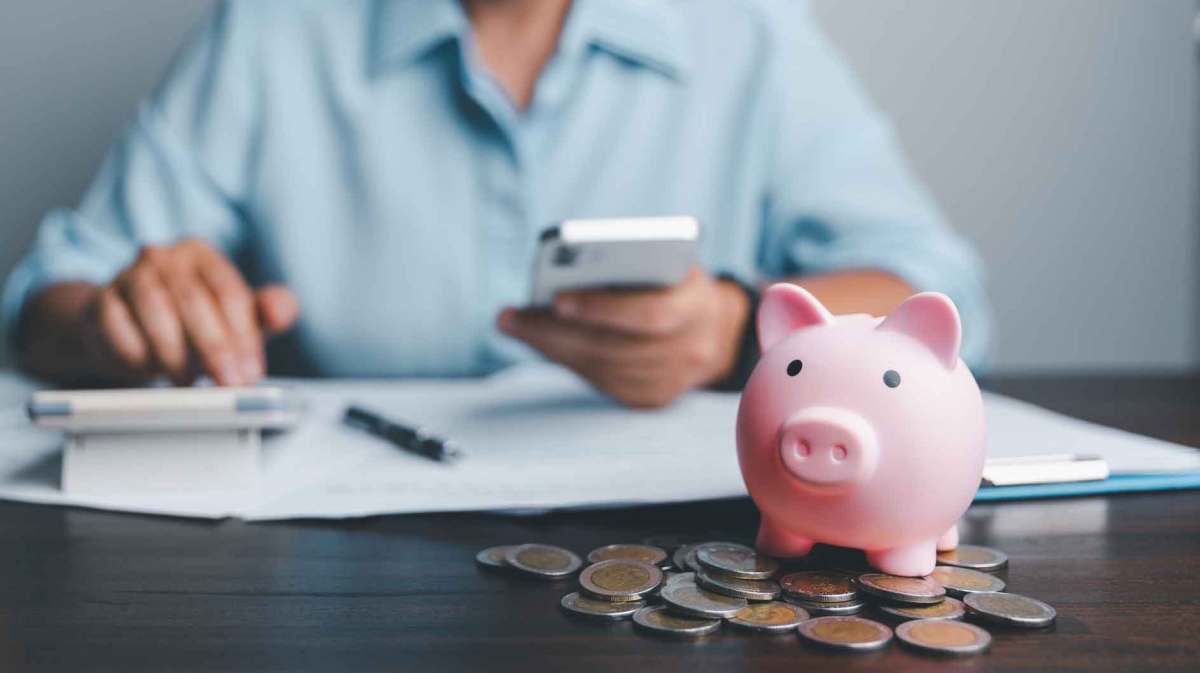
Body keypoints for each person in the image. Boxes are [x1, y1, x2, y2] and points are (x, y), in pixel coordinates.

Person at [3, 0, 989, 408]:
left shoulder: (745, 30)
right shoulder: (274, 29)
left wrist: (741, 331)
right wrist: (117, 318)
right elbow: (47, 300)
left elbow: (942, 301)